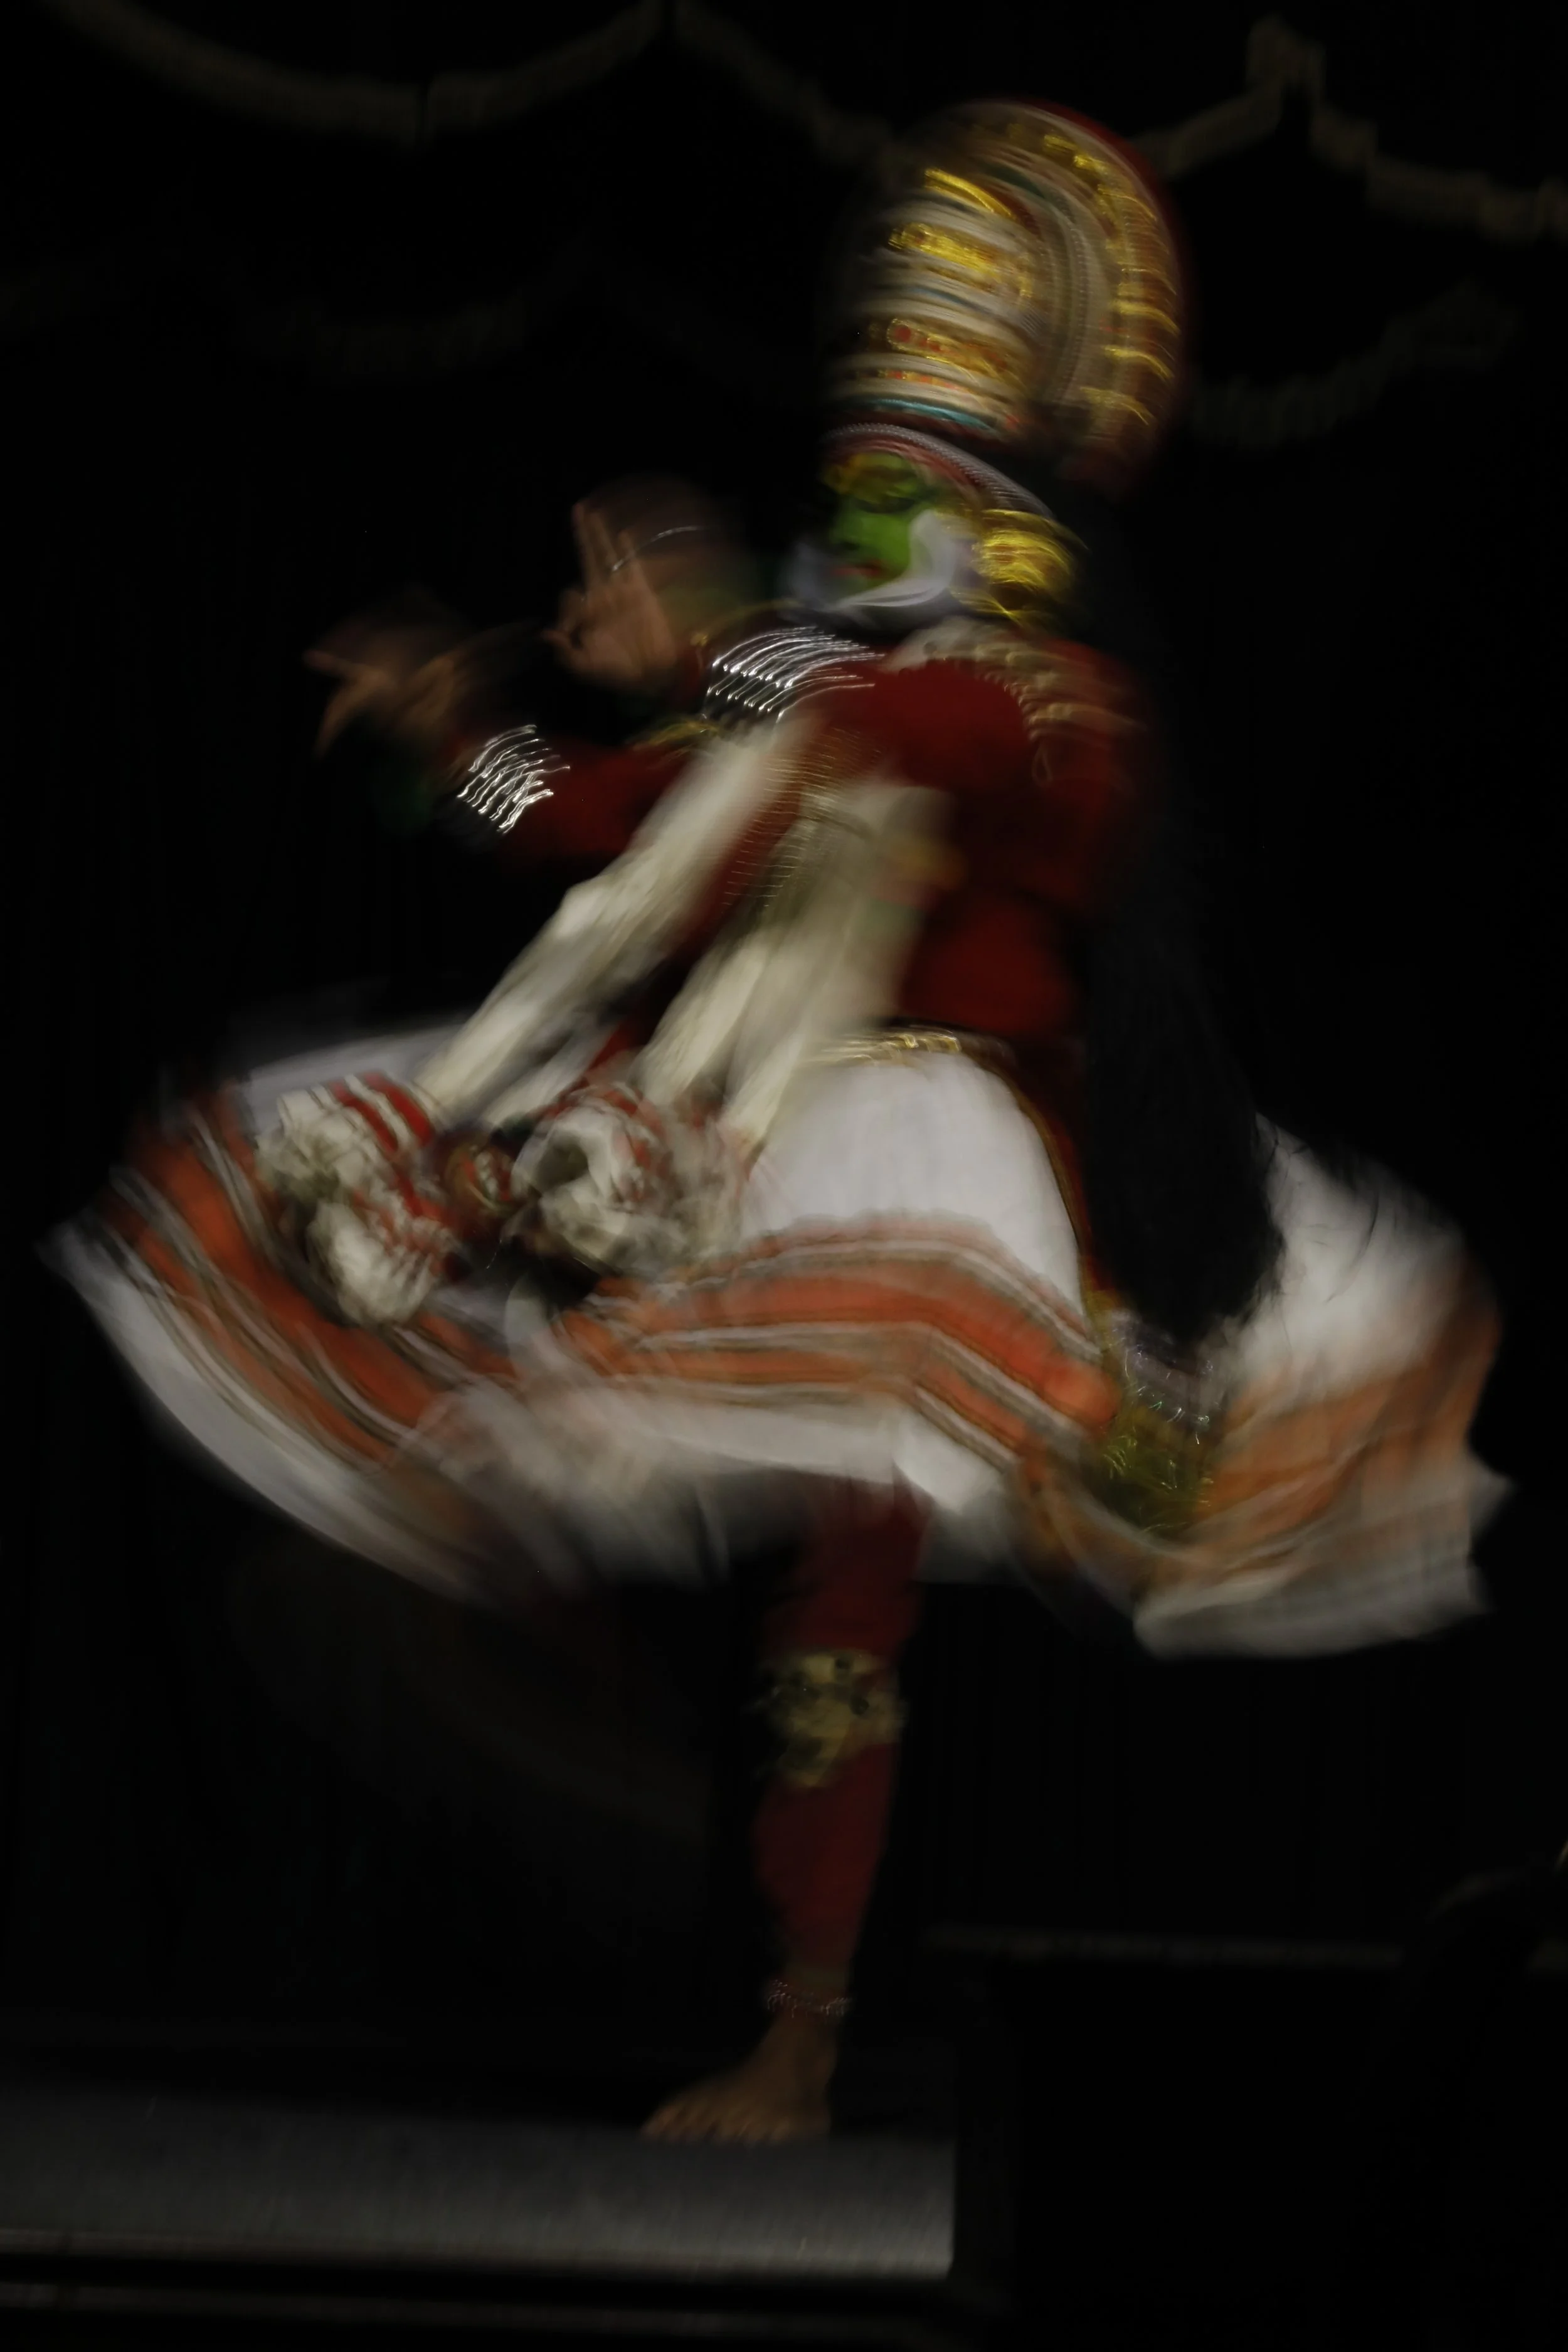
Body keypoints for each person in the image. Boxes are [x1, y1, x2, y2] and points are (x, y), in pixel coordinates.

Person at [55, 100, 1507, 2143]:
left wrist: (721, 651)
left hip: (930, 1154)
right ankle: (554, 1685)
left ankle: (796, 2023)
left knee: (842, 1571)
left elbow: (906, 720)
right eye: (863, 515)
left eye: (920, 525)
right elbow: (595, 820)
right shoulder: (787, 708)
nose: (878, 549)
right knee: (488, 1345)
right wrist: (450, 734)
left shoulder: (1046, 704)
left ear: (1011, 537)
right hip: (724, 1112)